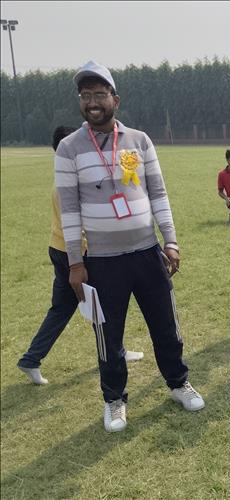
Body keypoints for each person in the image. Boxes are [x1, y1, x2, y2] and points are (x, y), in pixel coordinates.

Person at [58, 61, 204, 432]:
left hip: (146, 252)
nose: (92, 102)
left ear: (115, 99)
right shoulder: (69, 148)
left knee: (166, 325)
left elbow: (158, 193)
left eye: (99, 94)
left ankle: (178, 383)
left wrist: (170, 241)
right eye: (85, 95)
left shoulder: (139, 141)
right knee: (109, 336)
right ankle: (114, 400)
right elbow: (69, 210)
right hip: (102, 261)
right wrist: (75, 262)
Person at [18, 126, 144, 386]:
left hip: (59, 248)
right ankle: (115, 352)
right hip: (78, 254)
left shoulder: (63, 178)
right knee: (103, 305)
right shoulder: (72, 182)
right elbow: (78, 224)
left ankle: (31, 358)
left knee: (63, 308)